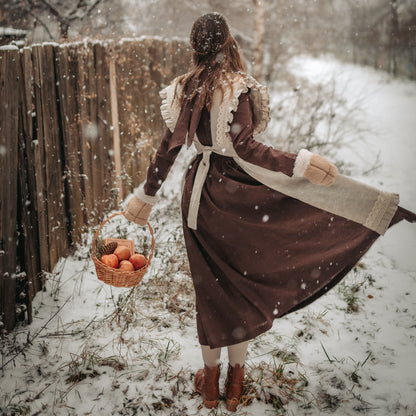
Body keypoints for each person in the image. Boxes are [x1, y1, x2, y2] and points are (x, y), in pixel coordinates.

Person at [124, 13, 416, 412]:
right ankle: (234, 385)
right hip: (236, 196)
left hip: (199, 196)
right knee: (238, 289)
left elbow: (168, 151)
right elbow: (248, 149)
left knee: (209, 292)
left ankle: (210, 386)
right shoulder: (236, 88)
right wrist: (298, 163)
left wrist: (147, 195)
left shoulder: (183, 90)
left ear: (194, 45)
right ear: (228, 43)